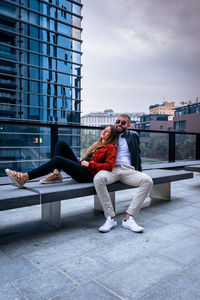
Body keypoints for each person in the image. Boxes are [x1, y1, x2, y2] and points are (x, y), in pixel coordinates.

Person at [93, 114, 153, 233]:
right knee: (98, 179)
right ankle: (110, 217)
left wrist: (138, 171)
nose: (119, 124)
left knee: (147, 181)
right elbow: (98, 149)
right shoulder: (111, 135)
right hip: (111, 170)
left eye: (123, 122)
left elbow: (137, 154)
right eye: (118, 121)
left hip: (128, 170)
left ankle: (129, 218)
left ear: (128, 125)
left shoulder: (134, 135)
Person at [5, 125, 118, 188]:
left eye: (108, 132)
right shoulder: (97, 145)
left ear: (111, 136)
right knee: (61, 144)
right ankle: (56, 174)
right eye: (104, 129)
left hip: (88, 175)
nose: (104, 132)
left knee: (58, 160)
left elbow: (109, 167)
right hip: (83, 168)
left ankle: (25, 177)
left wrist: (89, 164)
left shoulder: (111, 148)